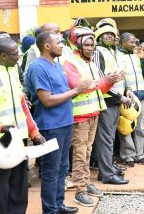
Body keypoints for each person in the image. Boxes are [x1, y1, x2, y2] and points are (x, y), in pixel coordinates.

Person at [26, 32, 94, 214]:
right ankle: (50, 210)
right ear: (46, 46)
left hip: (65, 123)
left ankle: (58, 204)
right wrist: (77, 90)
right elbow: (47, 100)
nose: (62, 45)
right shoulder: (38, 68)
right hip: (50, 127)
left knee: (63, 168)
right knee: (51, 170)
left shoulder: (57, 65)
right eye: (58, 42)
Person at [63, 24, 124, 206]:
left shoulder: (90, 63)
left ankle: (86, 183)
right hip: (80, 116)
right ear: (78, 45)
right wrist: (105, 80)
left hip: (93, 113)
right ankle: (80, 191)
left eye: (92, 45)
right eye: (87, 45)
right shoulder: (71, 62)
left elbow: (99, 88)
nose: (91, 48)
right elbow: (80, 86)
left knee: (88, 151)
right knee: (80, 154)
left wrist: (110, 81)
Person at [0, 37, 45, 214]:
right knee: (0, 187)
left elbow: (22, 106)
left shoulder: (13, 71)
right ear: (3, 56)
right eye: (15, 54)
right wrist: (0, 128)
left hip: (18, 137)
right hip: (0, 139)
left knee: (19, 184)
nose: (19, 57)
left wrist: (34, 131)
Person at [93, 19, 131, 185]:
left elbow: (121, 75)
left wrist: (127, 89)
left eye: (111, 34)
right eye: (105, 34)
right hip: (107, 100)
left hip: (116, 100)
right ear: (99, 36)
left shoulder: (114, 51)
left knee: (110, 138)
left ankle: (106, 169)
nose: (109, 36)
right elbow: (100, 78)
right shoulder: (98, 51)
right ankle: (107, 174)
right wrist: (119, 96)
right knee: (106, 139)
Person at [117, 32, 144, 166]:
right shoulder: (117, 56)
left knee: (140, 128)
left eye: (135, 42)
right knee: (126, 127)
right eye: (131, 42)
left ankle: (139, 154)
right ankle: (128, 156)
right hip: (126, 97)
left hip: (140, 96)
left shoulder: (137, 55)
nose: (134, 44)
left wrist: (143, 60)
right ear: (123, 42)